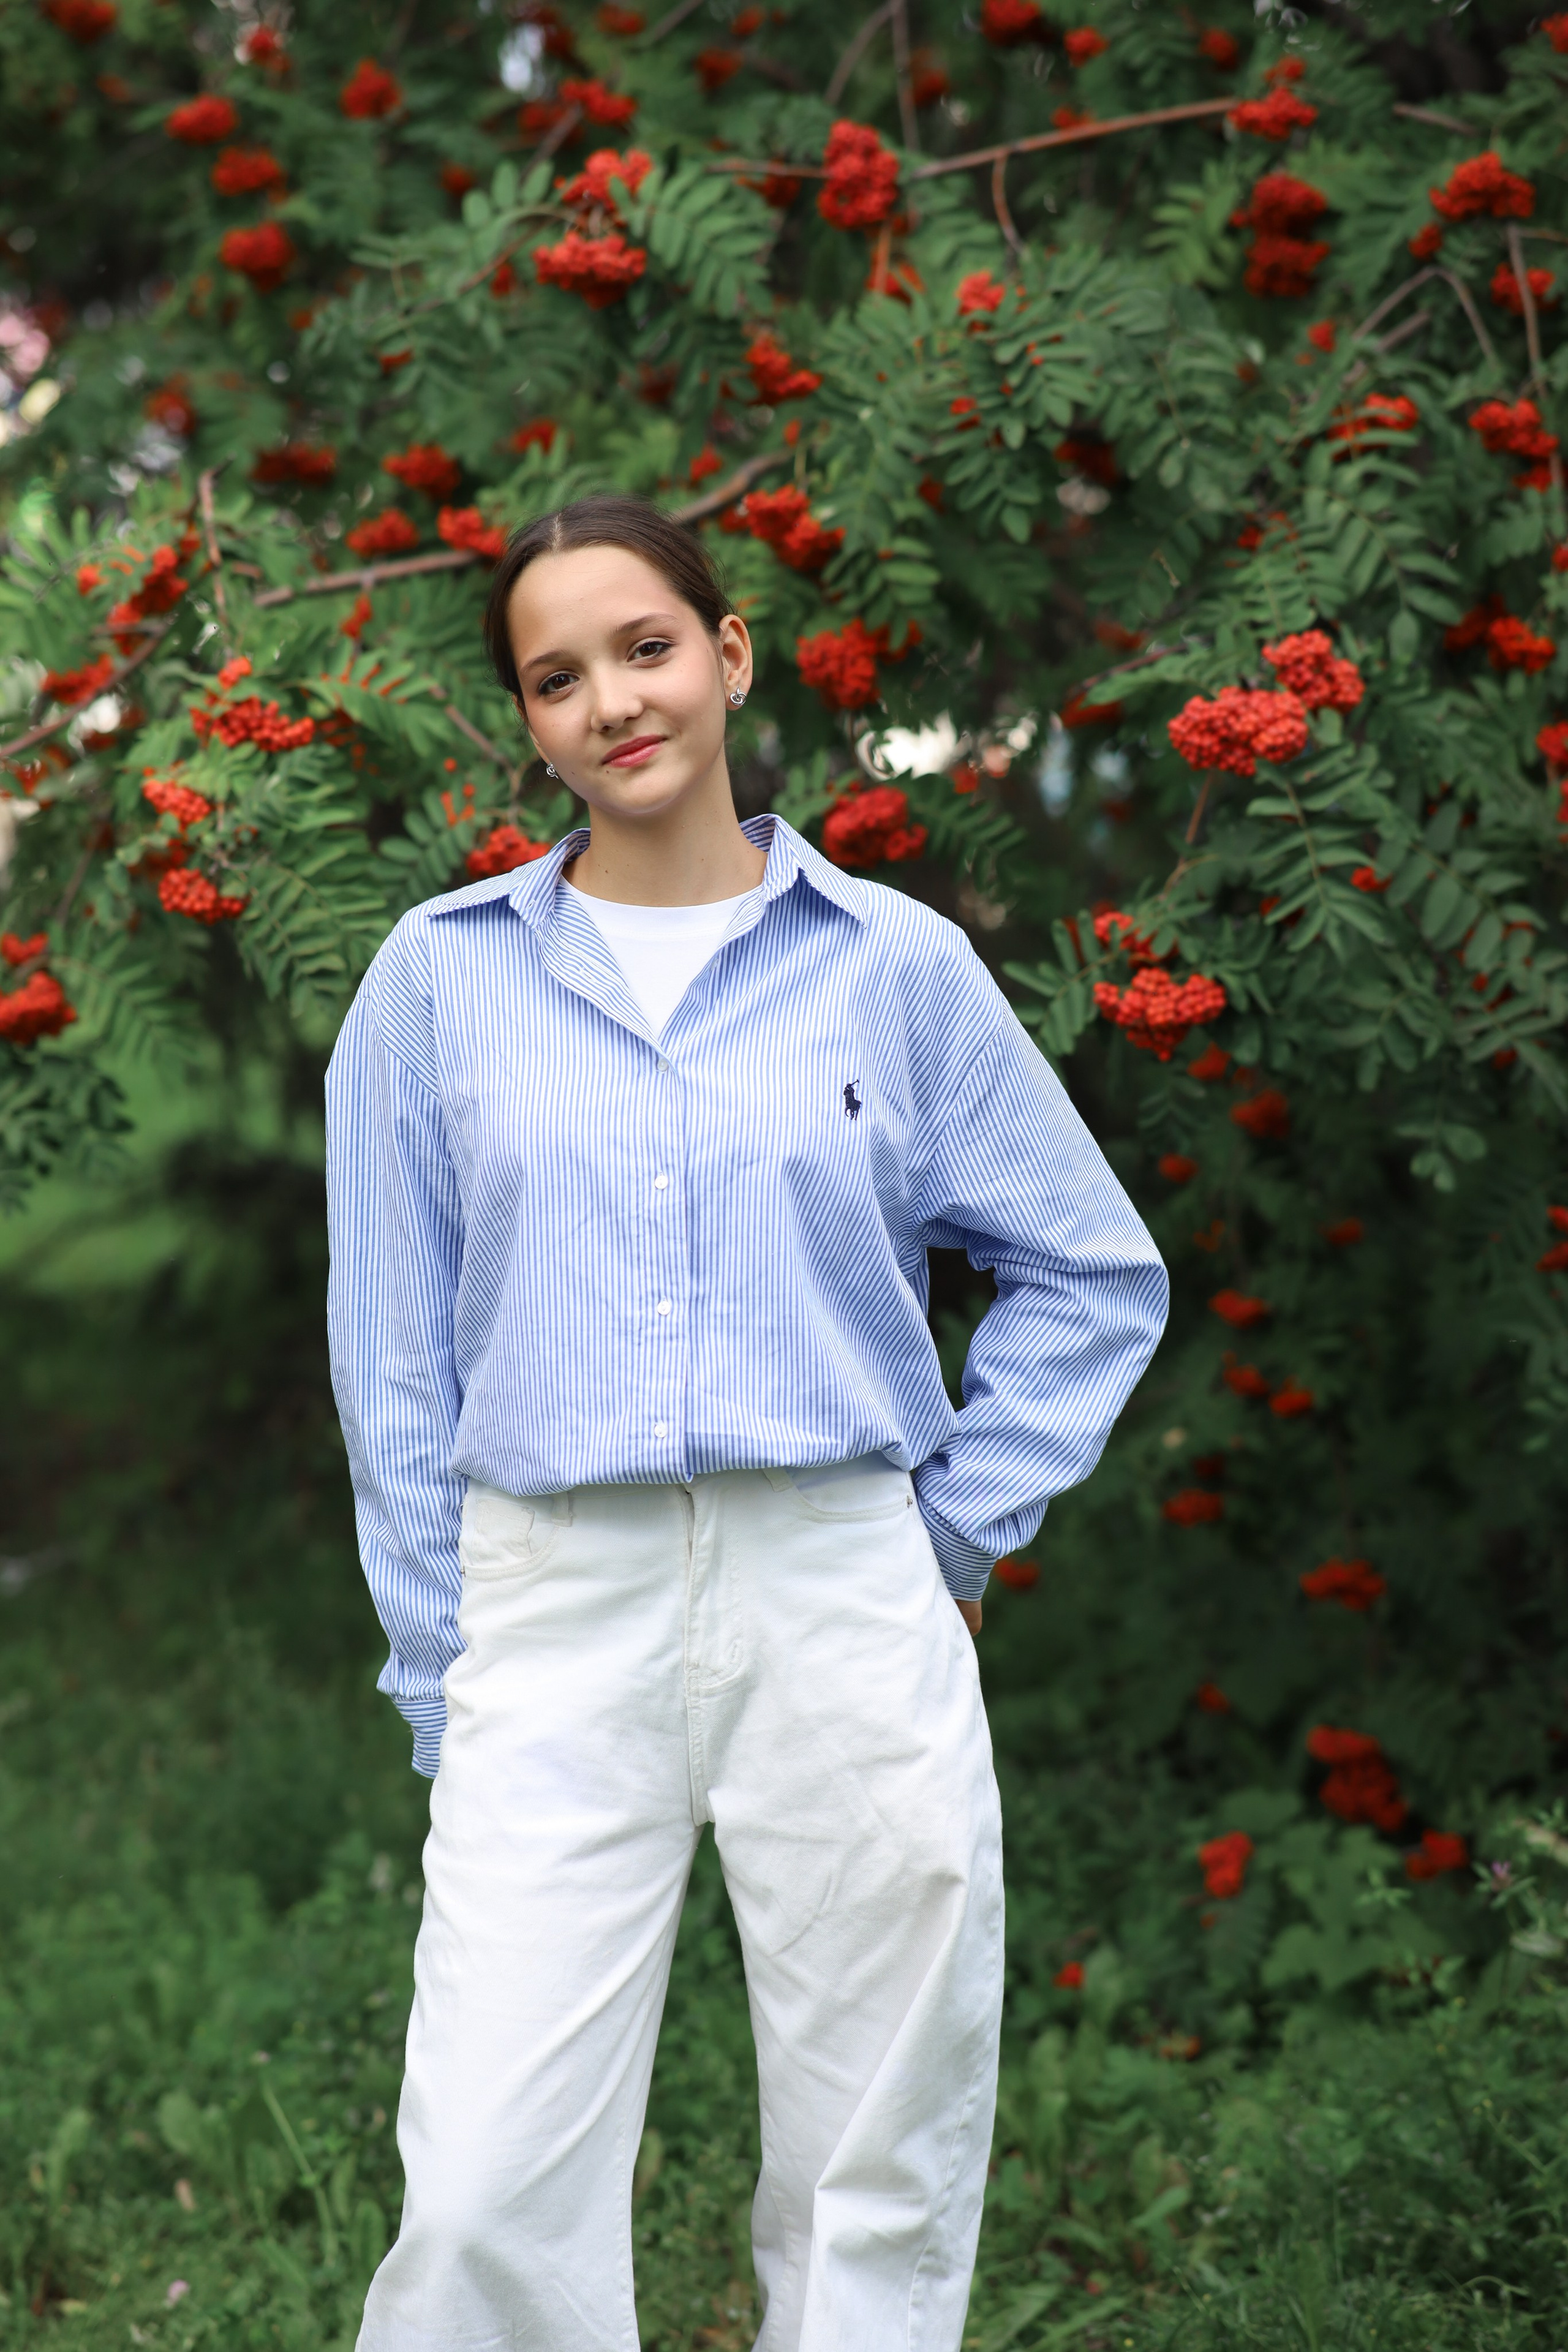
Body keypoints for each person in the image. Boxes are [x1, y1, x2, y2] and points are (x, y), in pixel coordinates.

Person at [325, 492, 1167, 2352]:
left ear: (729, 655)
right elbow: (393, 1369)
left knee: (878, 2156)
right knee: (477, 2188)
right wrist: (444, 1662)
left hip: (840, 1583)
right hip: (552, 1607)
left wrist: (946, 1533)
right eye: (557, 677)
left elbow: (1090, 1271)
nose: (611, 703)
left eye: (644, 649)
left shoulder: (895, 966)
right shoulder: (437, 984)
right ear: (530, 721)